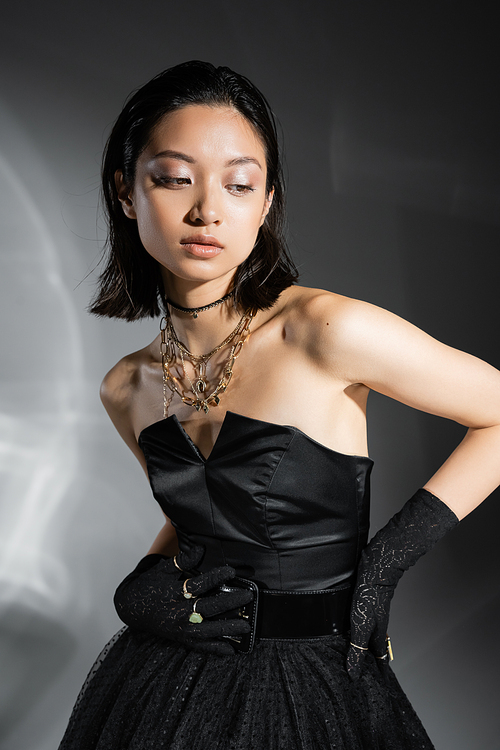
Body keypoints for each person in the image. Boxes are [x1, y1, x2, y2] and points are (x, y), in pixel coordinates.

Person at [58, 60, 500, 749]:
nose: (208, 211)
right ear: (124, 191)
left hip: (314, 681)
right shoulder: (128, 386)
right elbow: (199, 522)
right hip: (169, 681)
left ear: (265, 205)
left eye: (239, 185)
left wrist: (385, 564)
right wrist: (142, 589)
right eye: (175, 179)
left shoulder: (324, 330)